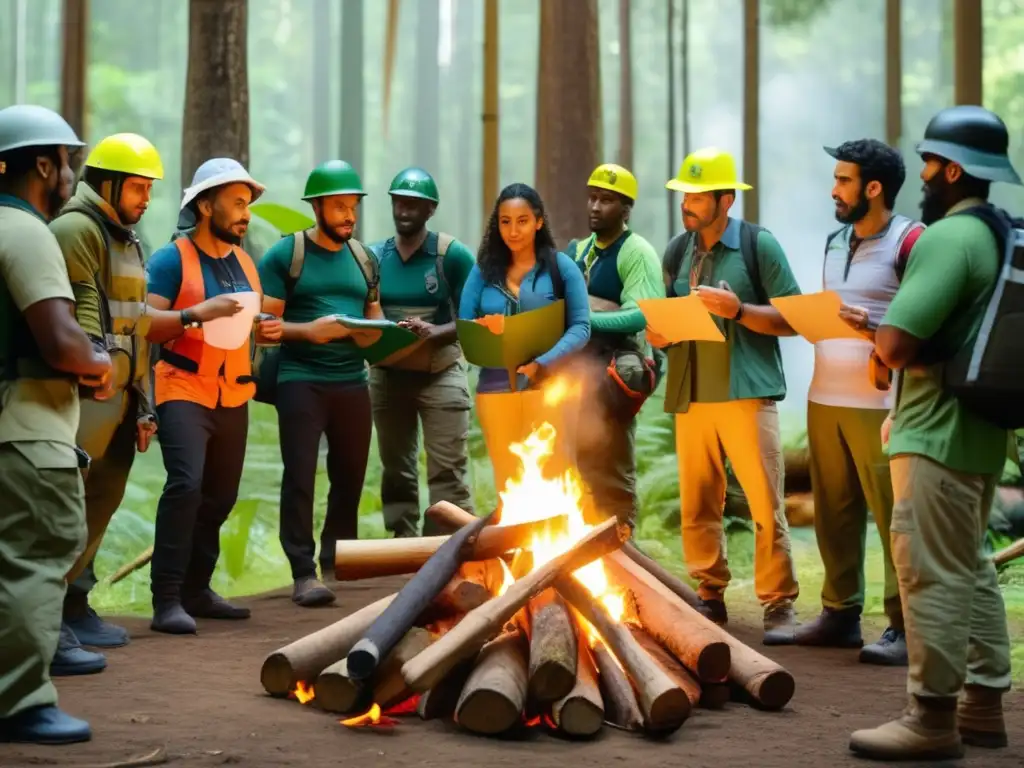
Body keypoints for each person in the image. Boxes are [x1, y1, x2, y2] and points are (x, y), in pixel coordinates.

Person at [850, 106, 1017, 761]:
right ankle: (981, 707)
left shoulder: (948, 238)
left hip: (934, 433)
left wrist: (872, 332)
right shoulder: (997, 233)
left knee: (929, 574)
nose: (920, 175)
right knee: (970, 570)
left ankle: (931, 718)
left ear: (952, 168)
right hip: (980, 435)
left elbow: (893, 343)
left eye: (927, 162)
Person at [764, 140, 924, 666]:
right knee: (834, 513)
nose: (834, 190)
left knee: (893, 516)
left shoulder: (910, 241)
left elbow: (923, 325)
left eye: (843, 180)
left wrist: (874, 325)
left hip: (881, 404)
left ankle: (904, 626)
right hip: (825, 395)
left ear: (873, 188)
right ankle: (839, 615)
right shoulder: (835, 240)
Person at [649, 147, 800, 638]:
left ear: (726, 199)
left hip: (746, 393)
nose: (686, 203)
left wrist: (738, 311)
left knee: (762, 501)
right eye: (683, 194)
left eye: (696, 195)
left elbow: (794, 318)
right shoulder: (678, 250)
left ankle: (778, 602)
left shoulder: (760, 246)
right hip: (692, 392)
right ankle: (709, 593)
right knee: (697, 501)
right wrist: (660, 333)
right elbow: (665, 320)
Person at [0, 104, 112, 744]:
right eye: (67, 159)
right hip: (29, 426)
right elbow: (63, 340)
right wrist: (98, 363)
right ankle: (22, 703)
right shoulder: (25, 231)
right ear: (42, 163)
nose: (71, 172)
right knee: (39, 556)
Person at [145, 157, 282, 634]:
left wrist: (266, 330)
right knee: (186, 486)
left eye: (248, 204)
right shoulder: (170, 260)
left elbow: (249, 326)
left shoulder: (245, 262)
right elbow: (143, 324)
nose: (246, 214)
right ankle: (165, 600)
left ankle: (196, 590)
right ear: (206, 205)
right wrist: (196, 313)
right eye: (237, 203)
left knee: (221, 496)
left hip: (233, 393)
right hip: (181, 386)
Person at [258, 160, 381, 607]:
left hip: (352, 380)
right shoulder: (286, 255)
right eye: (340, 207)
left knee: (350, 476)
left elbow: (374, 319)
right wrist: (309, 331)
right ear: (317, 207)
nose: (349, 215)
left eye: (353, 207)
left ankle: (337, 558)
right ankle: (302, 570)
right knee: (301, 477)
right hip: (301, 379)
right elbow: (263, 327)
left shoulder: (364, 259)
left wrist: (384, 332)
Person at [458, 183, 591, 495]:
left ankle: (559, 543)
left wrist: (542, 364)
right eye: (505, 222)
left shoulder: (561, 268)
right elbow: (464, 327)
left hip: (549, 389)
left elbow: (581, 327)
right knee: (509, 485)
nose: (513, 231)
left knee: (554, 479)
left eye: (522, 221)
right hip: (495, 391)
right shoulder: (481, 273)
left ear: (539, 221)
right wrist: (486, 328)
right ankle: (514, 544)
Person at [369, 167, 477, 538]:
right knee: (396, 468)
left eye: (413, 204)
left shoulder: (452, 256)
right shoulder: (374, 257)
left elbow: (477, 317)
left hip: (441, 372)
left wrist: (436, 333)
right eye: (399, 202)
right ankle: (403, 545)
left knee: (447, 467)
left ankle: (451, 546)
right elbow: (364, 309)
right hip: (388, 374)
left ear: (430, 209)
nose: (404, 210)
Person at [563, 163, 664, 526]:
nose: (594, 206)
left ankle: (624, 563)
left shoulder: (636, 252)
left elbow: (640, 315)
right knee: (572, 469)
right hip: (575, 375)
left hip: (614, 378)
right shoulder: (580, 251)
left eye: (606, 200)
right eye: (592, 197)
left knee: (611, 474)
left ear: (625, 208)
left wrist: (584, 318)